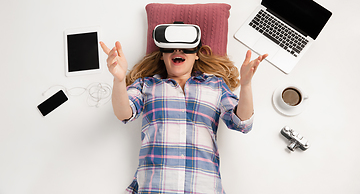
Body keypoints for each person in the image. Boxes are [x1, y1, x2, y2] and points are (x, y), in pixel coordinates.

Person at [100, 38, 267, 193]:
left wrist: (246, 85)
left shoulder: (215, 85)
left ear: (196, 55)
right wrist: (119, 80)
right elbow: (123, 113)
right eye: (170, 47)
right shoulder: (147, 85)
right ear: (162, 56)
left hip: (203, 187)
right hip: (156, 187)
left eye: (186, 47)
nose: (177, 50)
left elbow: (242, 124)